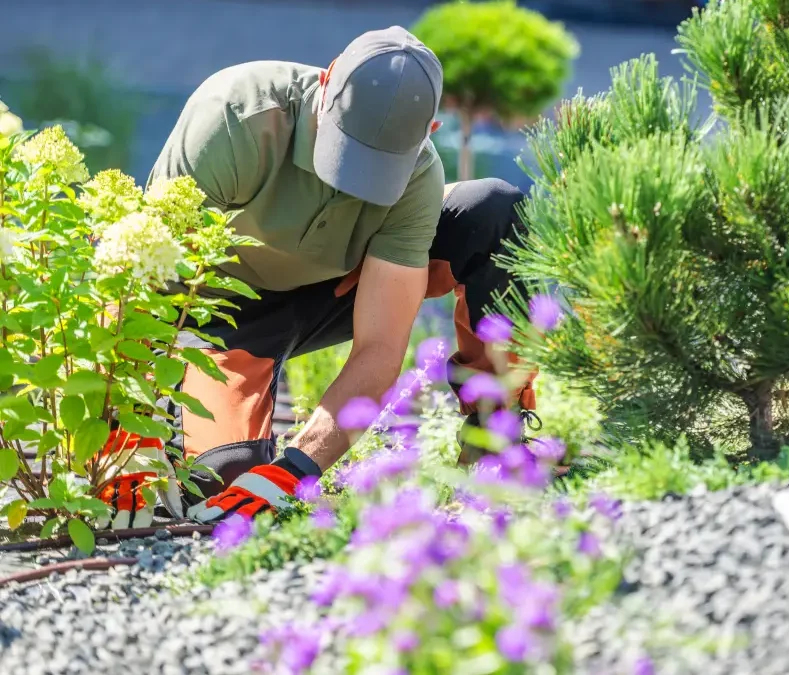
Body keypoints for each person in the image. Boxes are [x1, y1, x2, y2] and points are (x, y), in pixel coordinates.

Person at [92, 26, 540, 529]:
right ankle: (186, 430)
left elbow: (380, 350)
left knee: (494, 211)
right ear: (325, 83)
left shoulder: (418, 174)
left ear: (430, 131)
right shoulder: (233, 118)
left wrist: (295, 470)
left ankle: (493, 443)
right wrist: (126, 431)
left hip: (343, 289)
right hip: (219, 311)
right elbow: (141, 283)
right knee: (222, 480)